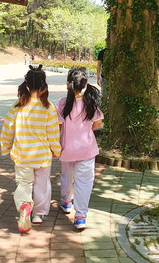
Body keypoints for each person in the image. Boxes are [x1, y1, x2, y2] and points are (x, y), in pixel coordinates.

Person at [0, 65, 61, 233]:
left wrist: (5, 148)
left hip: (22, 155)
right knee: (42, 184)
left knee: (24, 184)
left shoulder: (17, 107)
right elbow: (53, 134)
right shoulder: (49, 108)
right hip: (42, 156)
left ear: (26, 84)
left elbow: (7, 130)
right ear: (43, 84)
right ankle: (38, 214)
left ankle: (24, 205)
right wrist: (56, 150)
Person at [55, 68, 103, 230]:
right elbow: (98, 123)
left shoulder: (62, 103)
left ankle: (66, 202)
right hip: (87, 150)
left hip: (67, 148)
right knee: (84, 182)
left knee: (66, 177)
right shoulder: (91, 103)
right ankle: (80, 216)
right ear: (84, 86)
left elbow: (58, 126)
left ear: (67, 84)